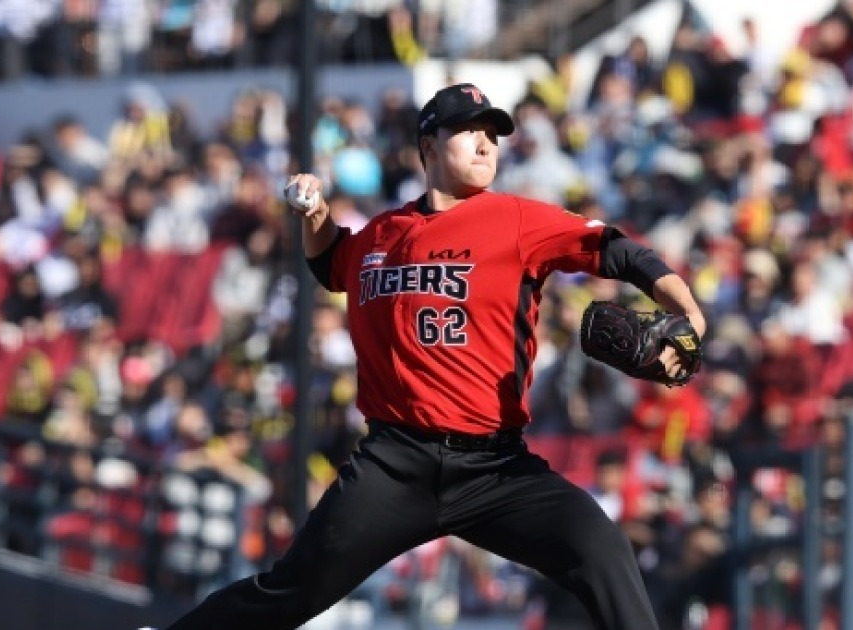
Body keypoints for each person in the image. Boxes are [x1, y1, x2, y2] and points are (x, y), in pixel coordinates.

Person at [165, 83, 706, 630]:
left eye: (493, 134)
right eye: (470, 130)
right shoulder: (381, 233)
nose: (486, 143)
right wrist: (317, 212)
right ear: (428, 146)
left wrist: (689, 312)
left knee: (600, 546)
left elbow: (619, 250)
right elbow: (330, 263)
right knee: (291, 591)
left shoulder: (518, 220)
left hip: (496, 468)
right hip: (393, 465)